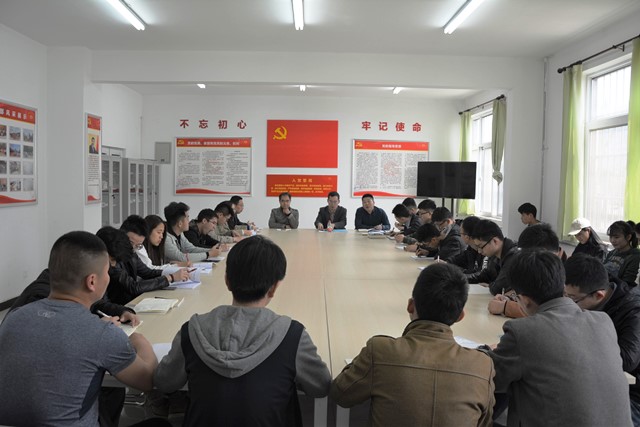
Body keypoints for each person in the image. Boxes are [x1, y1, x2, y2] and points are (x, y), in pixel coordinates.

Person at [154, 235, 331, 426]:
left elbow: (164, 382)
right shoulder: (292, 336)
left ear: (227, 281)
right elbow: (320, 386)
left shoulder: (191, 331)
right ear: (273, 288)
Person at [0, 231, 158, 426]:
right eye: (107, 272)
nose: (108, 277)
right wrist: (139, 341)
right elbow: (147, 381)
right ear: (92, 281)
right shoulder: (103, 334)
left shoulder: (13, 318)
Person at [331, 263, 495, 426]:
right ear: (460, 316)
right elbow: (484, 421)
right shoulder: (482, 365)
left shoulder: (380, 351)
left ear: (410, 306)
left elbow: (340, 394)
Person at [483, 249, 632, 427]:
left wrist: (484, 351)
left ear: (524, 299)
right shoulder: (603, 321)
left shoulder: (523, 332)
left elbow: (488, 378)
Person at [564, 253, 640, 425]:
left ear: (598, 295)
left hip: (630, 394)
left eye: (572, 299)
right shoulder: (589, 291)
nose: (567, 304)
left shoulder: (632, 311)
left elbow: (627, 360)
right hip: (596, 382)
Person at [487, 224, 562, 318]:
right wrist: (510, 298)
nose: (532, 264)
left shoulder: (570, 274)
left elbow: (551, 312)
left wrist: (505, 307)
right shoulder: (532, 268)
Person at [97, 226, 180, 305]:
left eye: (138, 245)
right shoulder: (113, 257)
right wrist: (170, 277)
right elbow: (133, 287)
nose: (133, 248)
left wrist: (172, 275)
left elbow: (147, 272)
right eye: (130, 242)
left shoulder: (130, 254)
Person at [468, 219, 518, 296]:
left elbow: (498, 288)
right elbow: (486, 275)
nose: (479, 251)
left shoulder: (513, 257)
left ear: (495, 241)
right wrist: (460, 278)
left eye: (481, 247)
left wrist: (490, 286)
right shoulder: (494, 254)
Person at [603, 220, 640, 287]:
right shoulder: (612, 253)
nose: (612, 240)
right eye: (610, 237)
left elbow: (627, 283)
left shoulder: (635, 256)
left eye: (616, 237)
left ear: (628, 237)